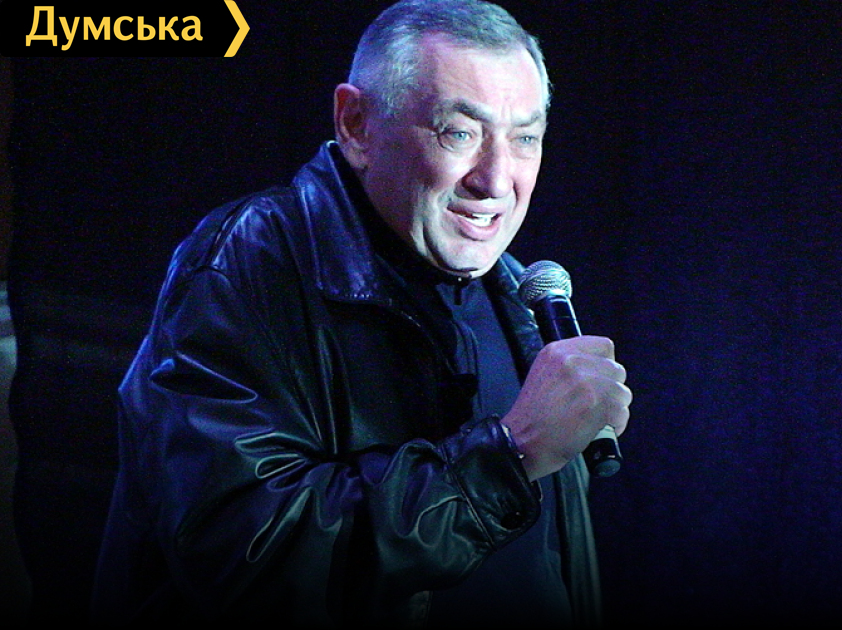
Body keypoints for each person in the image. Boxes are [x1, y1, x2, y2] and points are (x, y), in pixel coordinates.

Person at [89, 1, 631, 626]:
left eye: (524, 138)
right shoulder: (250, 263)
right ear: (356, 125)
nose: (495, 179)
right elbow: (249, 559)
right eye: (459, 132)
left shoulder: (519, 295)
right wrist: (510, 456)